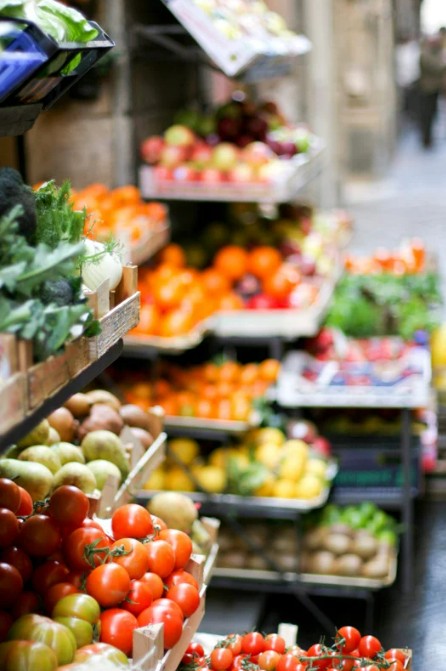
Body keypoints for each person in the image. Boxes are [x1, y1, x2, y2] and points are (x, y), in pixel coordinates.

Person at [418, 35, 446, 148]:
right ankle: (426, 139)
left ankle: (429, 139)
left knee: (433, 113)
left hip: (435, 89)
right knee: (427, 114)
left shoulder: (437, 53)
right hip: (427, 90)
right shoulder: (425, 54)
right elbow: (436, 66)